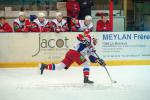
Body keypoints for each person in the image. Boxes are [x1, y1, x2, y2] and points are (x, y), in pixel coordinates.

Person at [39, 32, 105, 84]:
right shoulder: (89, 38)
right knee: (86, 64)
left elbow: (91, 58)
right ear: (93, 38)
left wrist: (98, 60)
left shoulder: (92, 48)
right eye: (96, 40)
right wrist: (84, 41)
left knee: (60, 67)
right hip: (75, 53)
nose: (96, 41)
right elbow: (79, 36)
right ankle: (86, 79)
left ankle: (44, 66)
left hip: (71, 53)